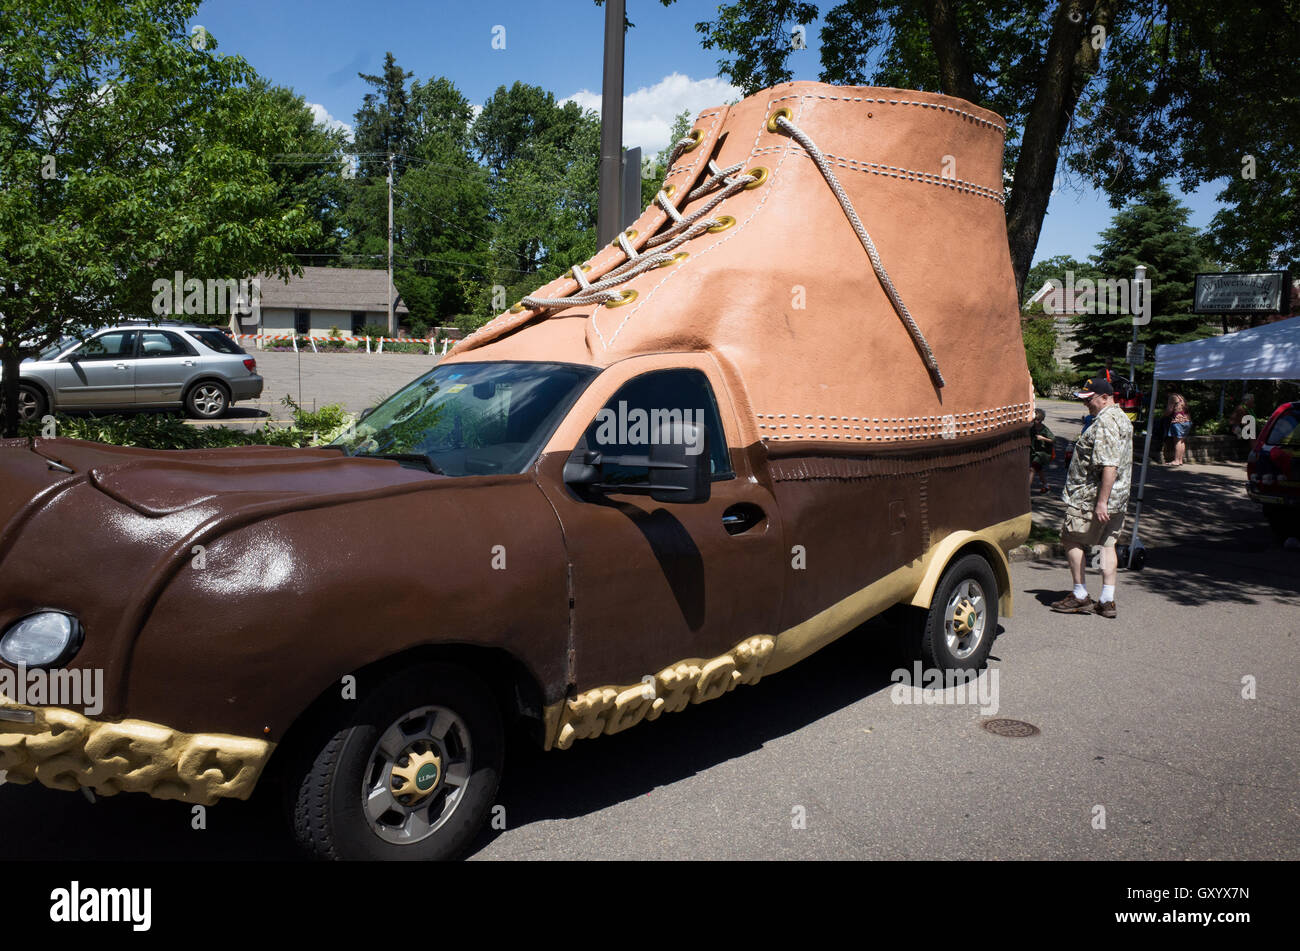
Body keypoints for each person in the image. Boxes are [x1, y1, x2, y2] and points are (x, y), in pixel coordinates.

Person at [1051, 376, 1133, 619]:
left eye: (1090, 400)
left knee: (1071, 538)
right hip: (1117, 497)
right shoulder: (1122, 419)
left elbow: (1109, 464)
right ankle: (1107, 600)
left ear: (1106, 398)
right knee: (1107, 543)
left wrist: (1101, 502)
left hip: (1092, 497)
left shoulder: (1105, 423)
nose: (1087, 404)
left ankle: (1080, 595)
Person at [1029, 408, 1055, 493]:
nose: (1036, 421)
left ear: (1041, 420)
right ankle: (1046, 485)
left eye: (1038, 420)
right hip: (1034, 452)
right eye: (1034, 419)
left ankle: (1026, 489)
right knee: (1039, 470)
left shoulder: (1044, 429)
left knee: (1032, 469)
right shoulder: (1031, 428)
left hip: (1042, 453)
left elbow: (1053, 440)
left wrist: (1043, 438)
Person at [1164, 392, 1192, 465]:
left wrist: (1163, 415)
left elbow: (1169, 410)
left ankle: (1176, 460)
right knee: (1182, 441)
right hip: (1187, 421)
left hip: (1178, 421)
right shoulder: (1181, 397)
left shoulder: (1172, 397)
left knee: (1177, 441)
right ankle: (1180, 460)